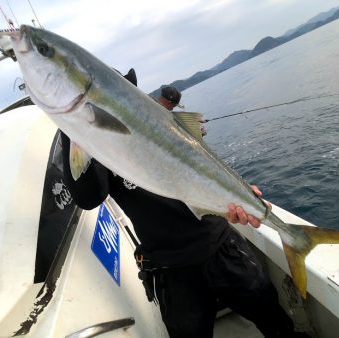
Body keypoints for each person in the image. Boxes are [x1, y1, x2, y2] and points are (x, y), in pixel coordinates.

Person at [60, 70, 302, 338]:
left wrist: (239, 196)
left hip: (222, 247)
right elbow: (88, 197)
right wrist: (71, 125)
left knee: (276, 321)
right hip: (172, 271)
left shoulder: (160, 125)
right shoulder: (97, 144)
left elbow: (206, 170)